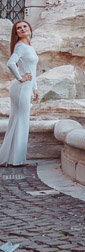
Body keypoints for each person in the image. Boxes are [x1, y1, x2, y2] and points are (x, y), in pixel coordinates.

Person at [0, 20, 39, 167]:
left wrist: (35, 88)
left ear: (29, 28)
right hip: (21, 87)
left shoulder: (29, 47)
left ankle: (9, 158)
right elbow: (11, 63)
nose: (22, 29)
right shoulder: (21, 46)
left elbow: (32, 70)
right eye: (18, 28)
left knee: (16, 121)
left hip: (25, 87)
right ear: (16, 33)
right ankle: (17, 161)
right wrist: (20, 77)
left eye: (24, 26)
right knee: (22, 121)